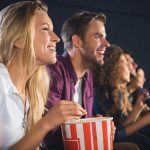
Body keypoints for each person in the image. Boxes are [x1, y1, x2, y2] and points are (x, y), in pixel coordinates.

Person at [44, 12, 140, 150]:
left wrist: (99, 126)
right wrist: (91, 129)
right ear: (77, 41)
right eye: (98, 36)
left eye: (104, 37)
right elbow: (49, 136)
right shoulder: (54, 72)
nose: (106, 43)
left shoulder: (87, 74)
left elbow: (82, 120)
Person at [0, 1, 87, 149]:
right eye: (45, 29)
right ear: (19, 39)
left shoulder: (33, 90)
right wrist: (46, 123)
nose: (56, 38)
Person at [93, 45, 150, 150]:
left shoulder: (118, 93)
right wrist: (145, 119)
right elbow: (115, 136)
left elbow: (120, 126)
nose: (130, 67)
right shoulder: (100, 95)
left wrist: (137, 110)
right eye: (124, 62)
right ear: (113, 66)